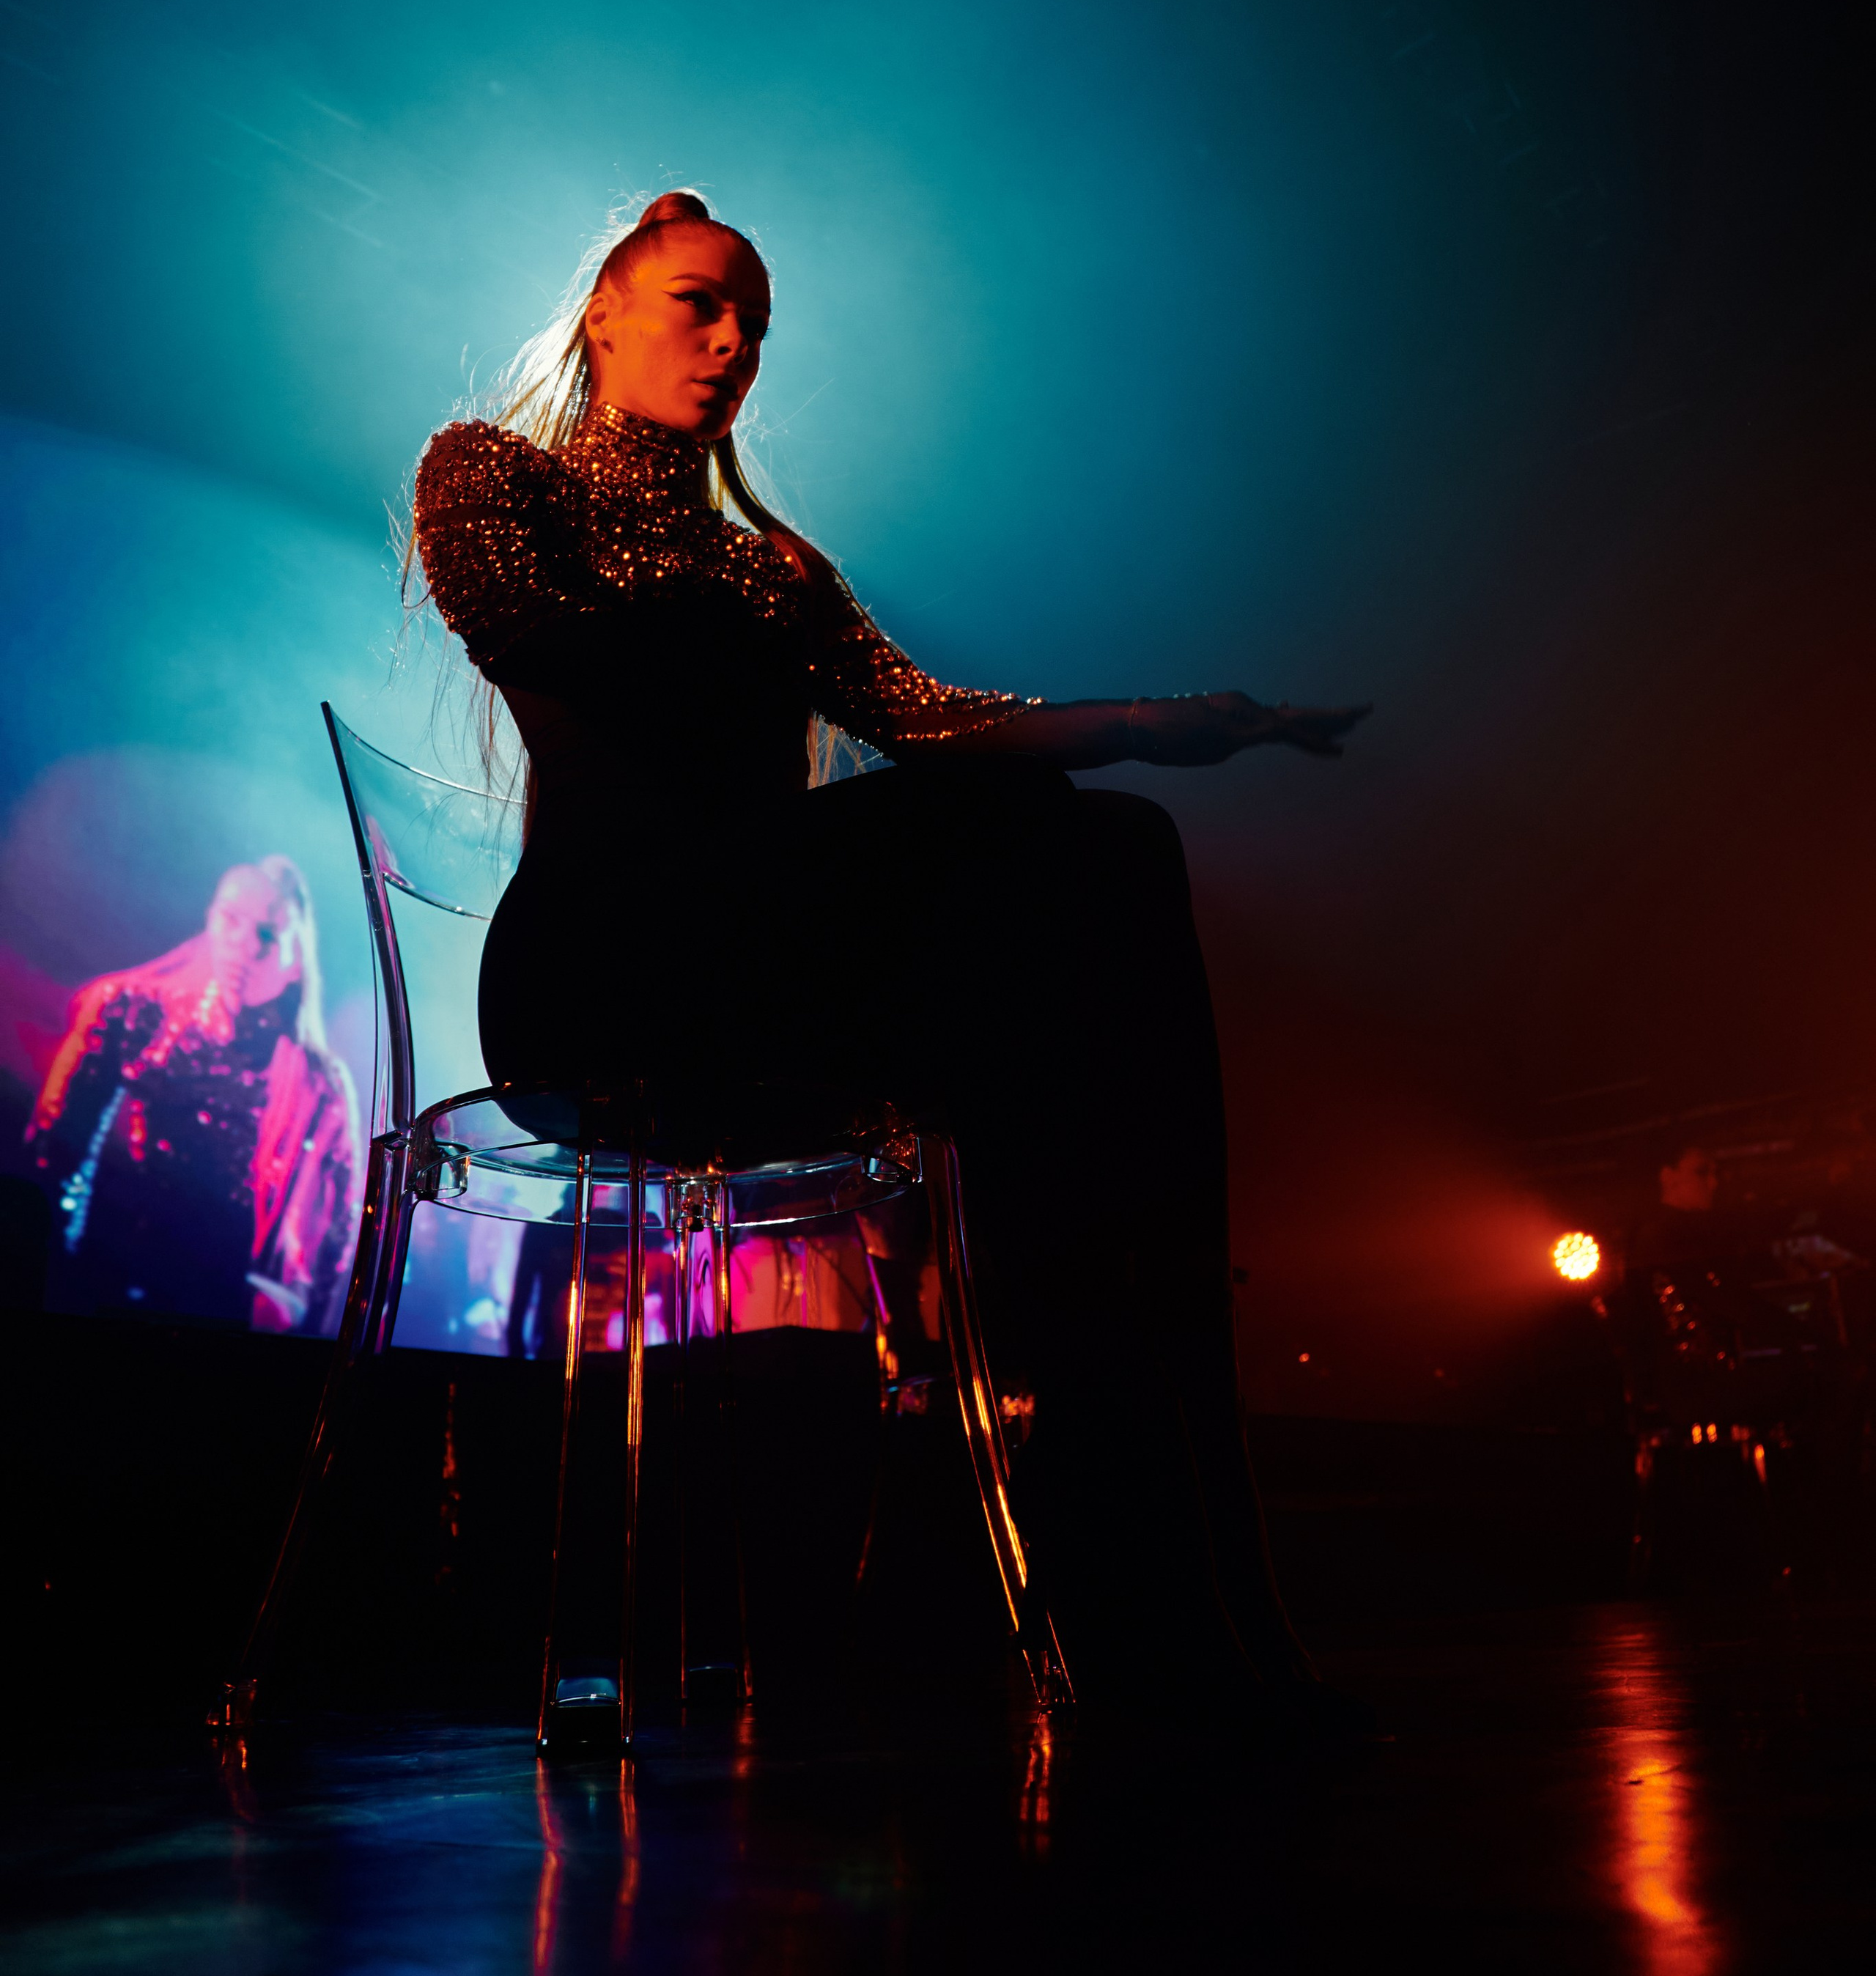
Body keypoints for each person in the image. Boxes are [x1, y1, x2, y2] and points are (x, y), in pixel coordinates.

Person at [411, 190, 1367, 1716]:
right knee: (1040, 869)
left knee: (1106, 858)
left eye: (753, 325)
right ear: (602, 310)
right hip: (599, 972)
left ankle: (1140, 1557)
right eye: (696, 303)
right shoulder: (494, 476)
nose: (730, 342)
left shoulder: (775, 566)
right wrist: (758, 621)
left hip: (767, 968)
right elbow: (537, 642)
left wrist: (1165, 723)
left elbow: (928, 717)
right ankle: (1113, 1584)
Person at [23, 856, 363, 1334]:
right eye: (230, 920)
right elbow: (55, 1152)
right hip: (104, 1279)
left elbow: (341, 1229)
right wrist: (59, 1274)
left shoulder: (318, 1083)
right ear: (210, 920)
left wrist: (302, 1330)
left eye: (267, 935)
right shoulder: (133, 1012)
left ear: (296, 962)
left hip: (221, 1312)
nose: (242, 946)